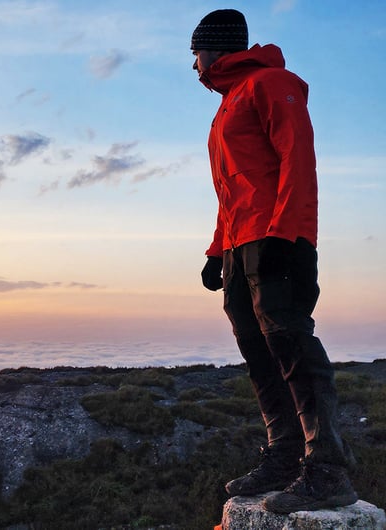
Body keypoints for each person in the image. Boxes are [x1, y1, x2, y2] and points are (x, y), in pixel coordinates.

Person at [191, 9, 358, 513]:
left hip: (276, 238)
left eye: (194, 54)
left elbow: (297, 158)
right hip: (241, 246)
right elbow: (231, 192)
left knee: (291, 347)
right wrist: (216, 250)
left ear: (215, 49)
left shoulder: (271, 83)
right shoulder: (226, 106)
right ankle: (285, 456)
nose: (193, 66)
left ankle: (327, 470)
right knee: (260, 354)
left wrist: (289, 234)